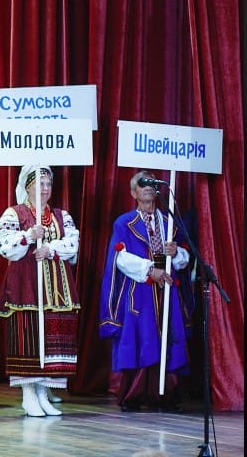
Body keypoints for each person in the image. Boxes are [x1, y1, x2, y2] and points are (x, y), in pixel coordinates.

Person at [100, 170, 192, 413]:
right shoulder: (124, 222)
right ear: (133, 193)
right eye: (142, 184)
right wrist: (150, 270)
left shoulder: (169, 222)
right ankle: (136, 393)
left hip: (168, 291)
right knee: (143, 337)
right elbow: (119, 258)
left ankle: (166, 394)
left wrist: (177, 254)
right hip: (140, 291)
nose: (148, 187)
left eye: (151, 183)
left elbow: (186, 259)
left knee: (168, 337)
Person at [0, 166, 80, 418]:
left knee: (51, 340)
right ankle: (28, 394)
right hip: (26, 285)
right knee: (28, 336)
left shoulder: (61, 216)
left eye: (48, 184)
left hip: (57, 288)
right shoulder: (14, 214)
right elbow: (4, 246)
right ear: (27, 186)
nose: (44, 189)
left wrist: (50, 248)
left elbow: (73, 242)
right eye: (39, 184)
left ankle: (43, 392)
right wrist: (29, 236)